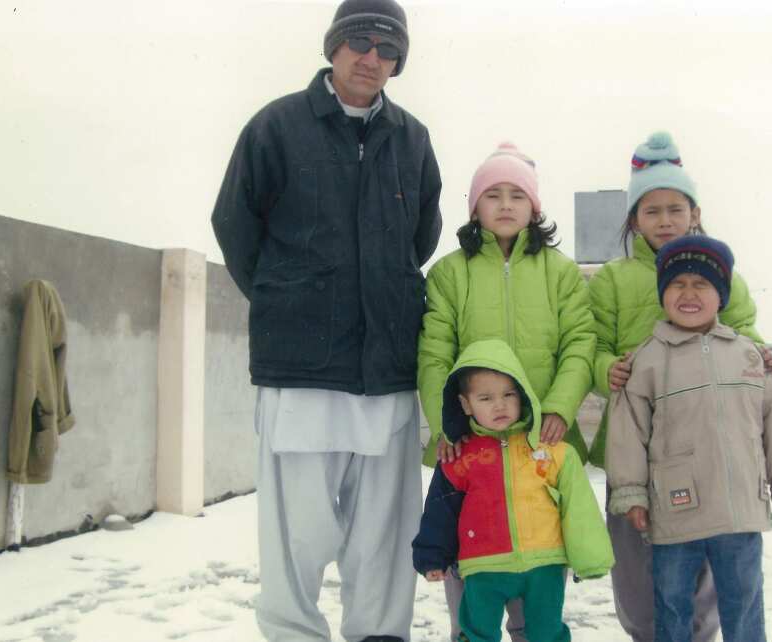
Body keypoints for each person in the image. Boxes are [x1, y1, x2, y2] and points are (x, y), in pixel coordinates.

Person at [210, 0, 442, 639]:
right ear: (333, 47)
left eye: (387, 49)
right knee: (298, 536)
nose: (372, 58)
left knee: (383, 536)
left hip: (386, 371)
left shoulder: (413, 139)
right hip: (302, 370)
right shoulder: (277, 127)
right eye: (359, 43)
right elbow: (236, 225)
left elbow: (420, 236)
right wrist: (292, 297)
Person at [587, 131, 772, 642]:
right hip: (634, 454)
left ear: (694, 212)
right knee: (634, 567)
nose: (665, 220)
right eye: (651, 211)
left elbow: (744, 332)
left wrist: (761, 351)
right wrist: (606, 367)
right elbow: (593, 343)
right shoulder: (612, 280)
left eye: (675, 208)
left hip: (707, 452)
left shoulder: (722, 272)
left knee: (705, 569)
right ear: (633, 220)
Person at [417, 142, 596, 640]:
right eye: (492, 194)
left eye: (517, 194)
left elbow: (580, 343)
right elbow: (435, 353)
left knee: (539, 588)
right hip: (470, 442)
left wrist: (558, 405)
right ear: (474, 207)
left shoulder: (560, 272)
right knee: (472, 590)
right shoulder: (451, 273)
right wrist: (446, 423)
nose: (505, 204)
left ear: (534, 207)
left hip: (539, 441)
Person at [606, 235, 772, 642]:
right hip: (675, 514)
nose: (688, 294)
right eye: (677, 285)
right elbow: (627, 432)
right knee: (671, 605)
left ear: (721, 295)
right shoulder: (645, 361)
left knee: (744, 604)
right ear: (663, 294)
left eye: (701, 284)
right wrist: (630, 493)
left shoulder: (749, 355)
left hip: (739, 512)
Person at [413, 339, 614, 642]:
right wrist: (432, 557)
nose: (500, 405)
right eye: (486, 397)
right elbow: (441, 510)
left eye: (508, 394)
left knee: (547, 633)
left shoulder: (549, 450)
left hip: (543, 565)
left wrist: (591, 557)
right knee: (477, 632)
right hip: (483, 568)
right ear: (466, 404)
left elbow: (578, 506)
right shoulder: (459, 458)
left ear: (522, 394)